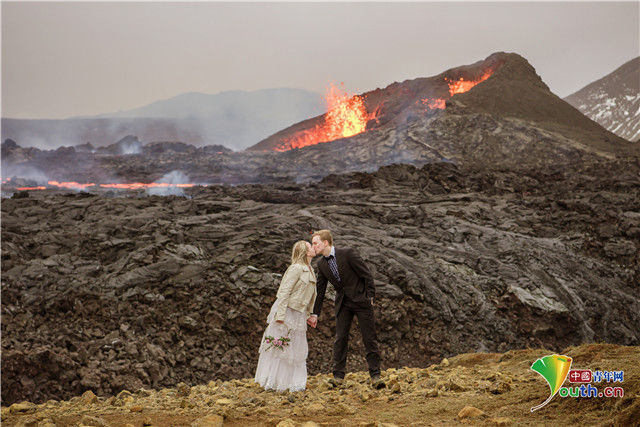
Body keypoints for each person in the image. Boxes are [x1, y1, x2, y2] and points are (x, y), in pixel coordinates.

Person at [308, 229, 386, 389]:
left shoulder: (348, 253)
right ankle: (338, 376)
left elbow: (366, 275)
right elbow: (320, 290)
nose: (313, 246)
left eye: (315, 243)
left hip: (362, 301)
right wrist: (314, 313)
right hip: (343, 304)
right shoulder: (321, 264)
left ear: (325, 242)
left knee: (369, 337)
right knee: (340, 338)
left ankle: (375, 376)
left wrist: (370, 297)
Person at [254, 240, 318, 392]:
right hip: (288, 311)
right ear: (305, 251)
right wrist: (280, 316)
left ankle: (293, 383)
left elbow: (311, 295)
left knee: (295, 348)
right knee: (280, 346)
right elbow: (284, 292)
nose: (314, 248)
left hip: (299, 314)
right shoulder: (295, 268)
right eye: (310, 246)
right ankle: (273, 382)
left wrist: (310, 314)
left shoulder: (310, 269)